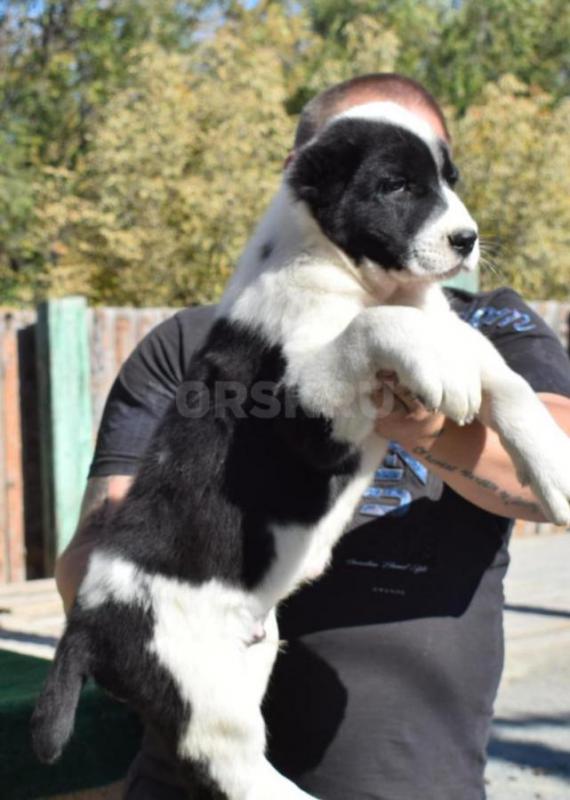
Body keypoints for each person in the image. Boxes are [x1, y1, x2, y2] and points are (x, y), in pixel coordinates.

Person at [56, 75, 570, 800]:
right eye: (396, 179)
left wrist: (431, 430)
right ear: (305, 178)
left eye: (439, 172)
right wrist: (161, 618)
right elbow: (89, 558)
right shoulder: (197, 340)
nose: (452, 213)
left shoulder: (492, 323)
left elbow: (559, 464)